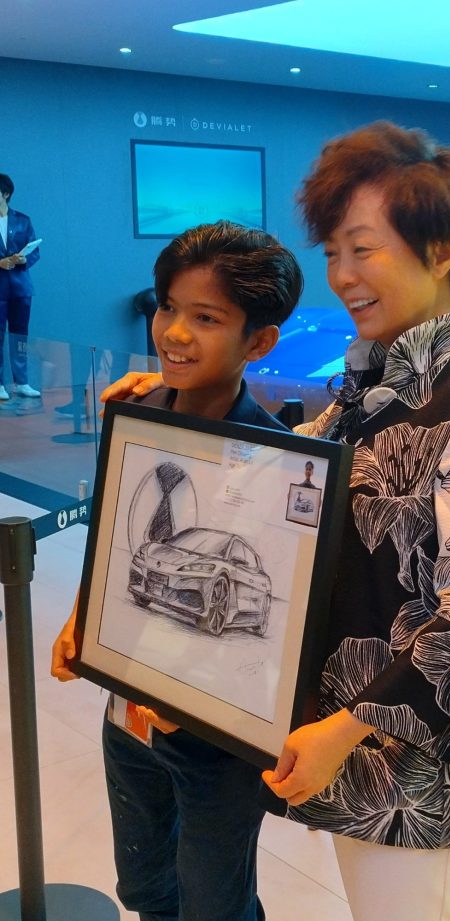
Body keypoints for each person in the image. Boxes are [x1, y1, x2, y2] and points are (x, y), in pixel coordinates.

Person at [100, 121, 450, 921]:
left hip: (420, 768)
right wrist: (167, 410)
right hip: (352, 742)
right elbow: (272, 473)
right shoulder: (370, 389)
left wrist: (341, 730)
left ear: (443, 249)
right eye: (334, 251)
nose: (341, 275)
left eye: (363, 249)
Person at [51, 220, 303, 921]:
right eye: (168, 307)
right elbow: (117, 542)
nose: (175, 333)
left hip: (217, 742)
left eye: (206, 318)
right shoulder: (136, 416)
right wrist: (83, 615)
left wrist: (198, 688)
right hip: (128, 709)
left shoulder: (277, 462)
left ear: (259, 341)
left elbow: (277, 637)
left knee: (215, 903)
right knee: (145, 887)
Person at [0, 173, 41, 400]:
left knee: (20, 337)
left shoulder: (23, 220)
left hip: (20, 288)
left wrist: (24, 259)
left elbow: (35, 251)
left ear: (6, 194)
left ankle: (22, 382)